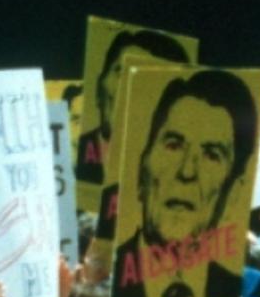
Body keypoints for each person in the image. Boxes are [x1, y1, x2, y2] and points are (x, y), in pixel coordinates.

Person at [111, 69, 258, 297]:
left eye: (212, 155)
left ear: (233, 192)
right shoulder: (104, 280)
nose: (187, 171)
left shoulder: (235, 295)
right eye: (173, 145)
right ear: (141, 168)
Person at [75, 28, 191, 189]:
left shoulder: (183, 178)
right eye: (121, 72)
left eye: (149, 81)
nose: (129, 89)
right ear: (98, 86)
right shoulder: (69, 154)